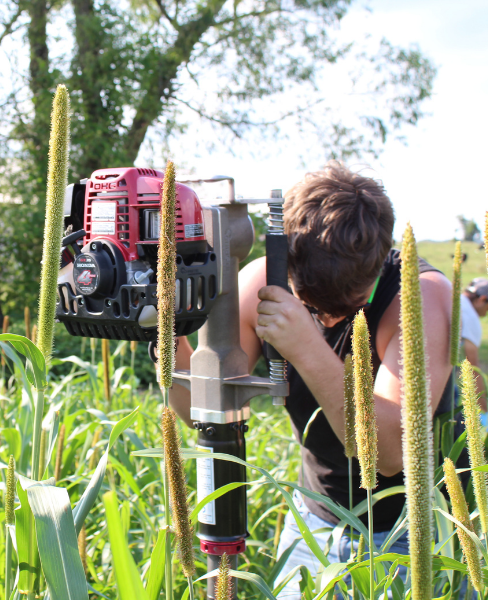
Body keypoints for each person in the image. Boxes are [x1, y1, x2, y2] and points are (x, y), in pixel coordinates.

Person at [170, 162, 455, 598]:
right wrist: (165, 338)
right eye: (313, 307)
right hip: (313, 524)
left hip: (411, 533)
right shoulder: (261, 284)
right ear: (285, 256)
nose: (329, 320)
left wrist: (306, 345)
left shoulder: (420, 297)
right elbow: (201, 412)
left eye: (345, 307)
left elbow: (392, 455)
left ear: (376, 267)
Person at [461, 278, 488, 410]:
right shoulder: (470, 317)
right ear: (482, 300)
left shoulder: (457, 303)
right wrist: (484, 409)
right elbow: (473, 368)